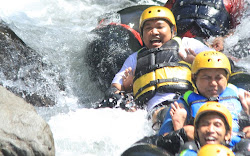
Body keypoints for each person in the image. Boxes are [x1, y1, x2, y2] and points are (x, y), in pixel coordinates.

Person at [110, 6, 213, 128]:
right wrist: (127, 88)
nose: (154, 32)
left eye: (159, 27)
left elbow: (218, 63)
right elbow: (114, 89)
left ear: (173, 31)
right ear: (142, 35)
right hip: (156, 111)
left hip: (190, 100)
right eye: (148, 28)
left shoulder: (186, 44)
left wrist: (197, 62)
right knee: (164, 114)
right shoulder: (134, 58)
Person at [159, 51, 250, 148]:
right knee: (188, 131)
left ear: (227, 79)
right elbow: (161, 142)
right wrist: (180, 129)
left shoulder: (242, 96)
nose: (213, 83)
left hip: (237, 146)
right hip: (200, 149)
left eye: (218, 77)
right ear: (194, 78)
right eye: (206, 78)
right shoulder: (182, 105)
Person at [121, 101, 246, 155]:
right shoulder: (185, 147)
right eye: (204, 124)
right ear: (196, 131)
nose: (210, 130)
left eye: (217, 125)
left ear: (228, 134)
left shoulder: (242, 148)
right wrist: (179, 132)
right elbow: (140, 147)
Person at [164, 0, 245, 52]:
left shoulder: (235, 2)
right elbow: (160, 20)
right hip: (177, 46)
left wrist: (223, 39)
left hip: (211, 50)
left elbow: (238, 30)